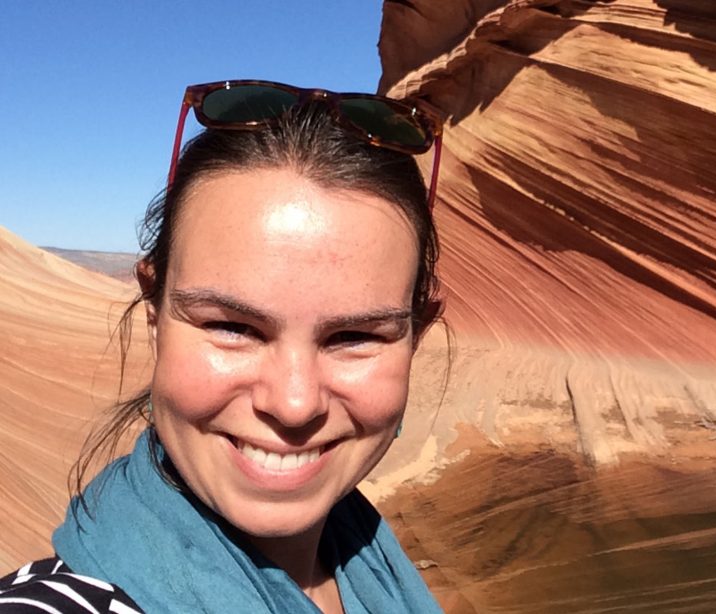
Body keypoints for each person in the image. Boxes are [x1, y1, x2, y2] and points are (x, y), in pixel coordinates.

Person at [0, 80, 446, 613]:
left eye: (354, 336)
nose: (293, 404)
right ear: (154, 315)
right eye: (233, 327)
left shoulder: (364, 554)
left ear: (415, 338)